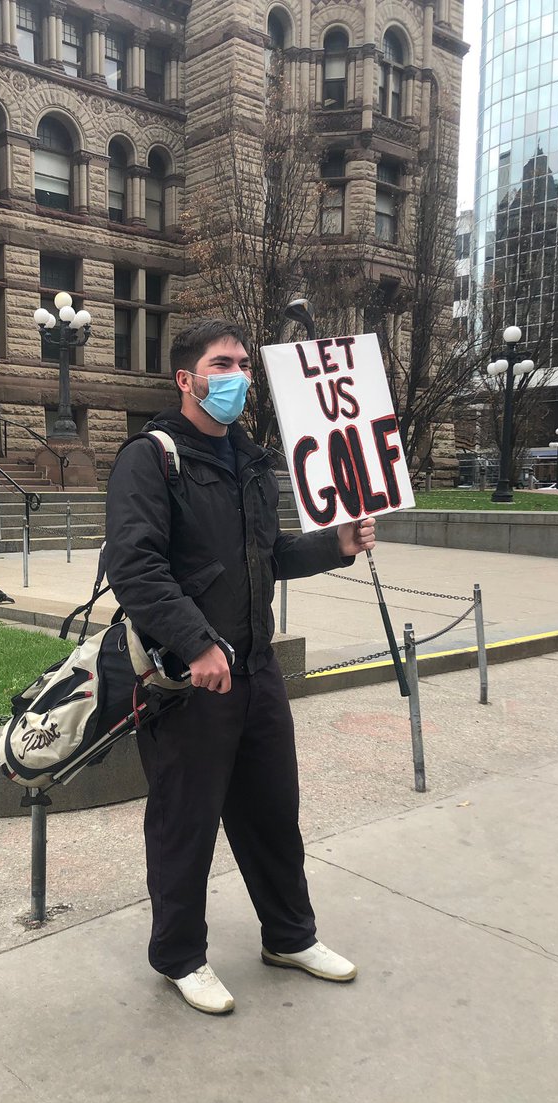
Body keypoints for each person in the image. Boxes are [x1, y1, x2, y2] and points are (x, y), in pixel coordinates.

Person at [104, 318, 376, 1015]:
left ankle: (290, 936)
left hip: (255, 670)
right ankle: (180, 957)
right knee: (184, 823)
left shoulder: (251, 462)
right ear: (186, 379)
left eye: (244, 365)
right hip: (187, 680)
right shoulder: (151, 457)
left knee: (273, 815)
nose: (238, 377)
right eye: (222, 365)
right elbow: (135, 567)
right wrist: (196, 643)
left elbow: (268, 555)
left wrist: (336, 544)